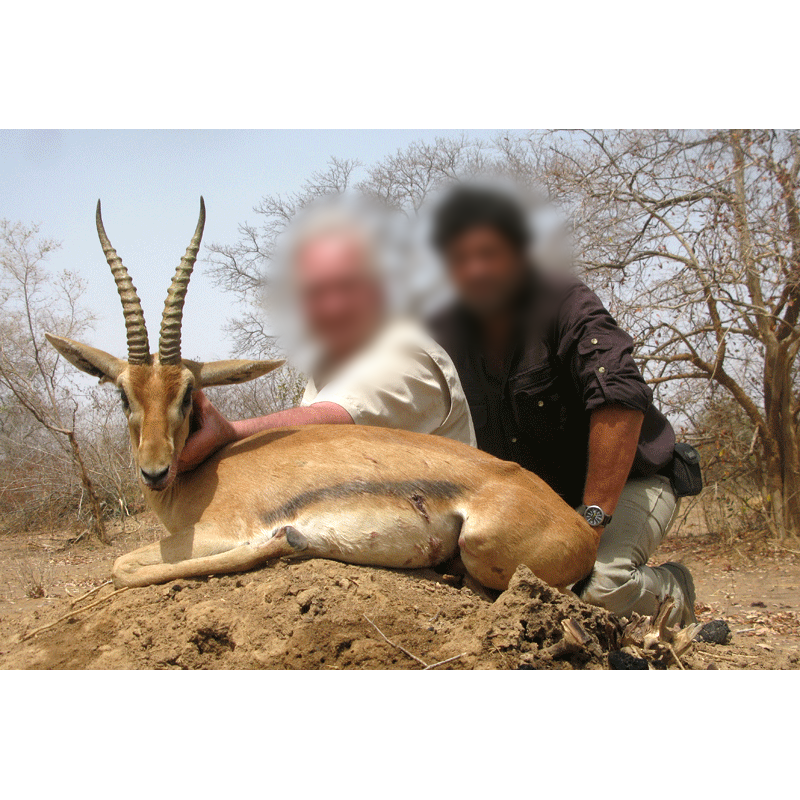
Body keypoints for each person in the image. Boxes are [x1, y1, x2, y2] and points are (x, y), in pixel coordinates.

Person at [428, 185, 696, 626]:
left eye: (488, 253)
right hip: (537, 503)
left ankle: (673, 589)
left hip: (630, 481)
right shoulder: (440, 331)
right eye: (458, 259)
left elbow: (620, 398)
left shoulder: (566, 301)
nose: (474, 269)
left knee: (598, 589)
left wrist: (589, 525)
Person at [178, 206, 475, 474]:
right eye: (315, 293)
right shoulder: (328, 368)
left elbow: (328, 421)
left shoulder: (408, 352)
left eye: (347, 286)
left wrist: (230, 432)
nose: (333, 307)